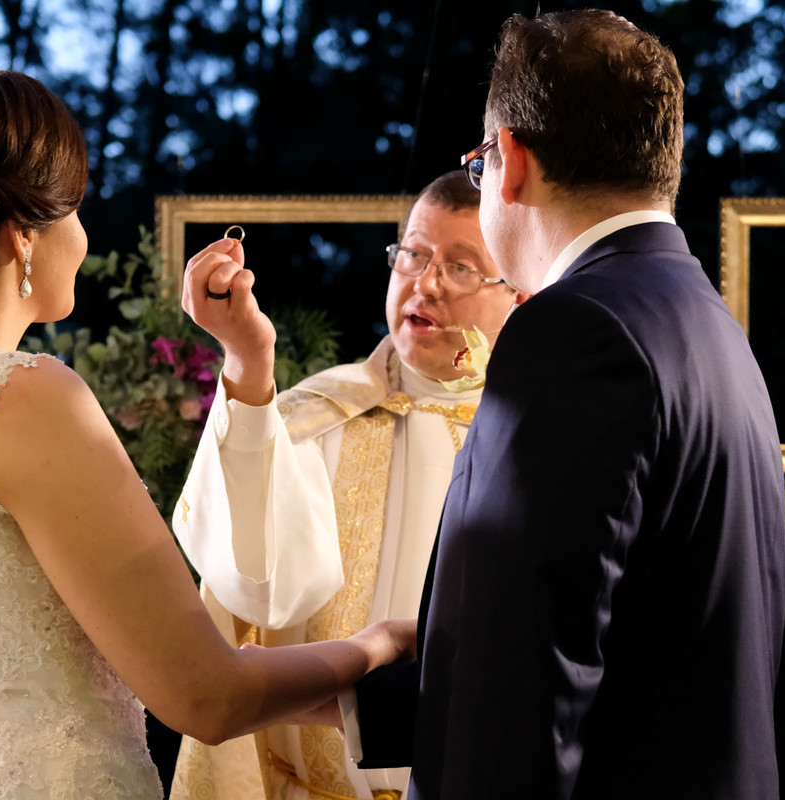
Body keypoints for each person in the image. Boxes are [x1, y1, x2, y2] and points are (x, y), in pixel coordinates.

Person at [0, 70, 412, 800]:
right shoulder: (27, 398)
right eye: (76, 209)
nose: (84, 237)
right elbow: (205, 696)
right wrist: (377, 646)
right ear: (21, 235)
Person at [350, 10, 785, 800]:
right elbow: (652, 646)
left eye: (479, 165)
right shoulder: (713, 326)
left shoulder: (573, 330)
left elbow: (524, 684)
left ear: (511, 160)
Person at [169, 171, 530, 800]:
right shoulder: (309, 419)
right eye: (413, 255)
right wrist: (248, 367)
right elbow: (255, 587)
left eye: (461, 267)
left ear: (519, 294)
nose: (426, 283)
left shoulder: (537, 439)